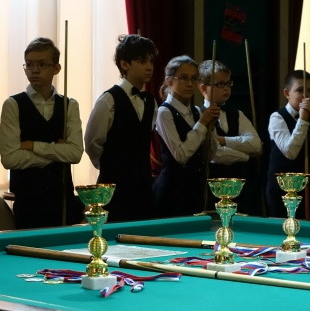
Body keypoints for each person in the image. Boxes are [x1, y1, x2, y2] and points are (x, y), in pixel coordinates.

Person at [0, 37, 84, 229]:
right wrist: (57, 154)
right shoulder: (13, 105)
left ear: (56, 68)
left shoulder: (69, 105)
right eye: (29, 64)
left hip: (63, 202)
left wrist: (32, 146)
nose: (34, 70)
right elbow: (9, 158)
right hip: (28, 205)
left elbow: (75, 154)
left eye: (42, 64)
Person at [84, 34, 158, 222]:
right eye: (142, 61)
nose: (149, 67)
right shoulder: (108, 100)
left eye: (151, 61)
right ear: (125, 64)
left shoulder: (151, 102)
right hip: (113, 188)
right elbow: (92, 143)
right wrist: (111, 166)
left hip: (143, 189)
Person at [154, 55, 220, 218]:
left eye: (194, 78)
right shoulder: (164, 112)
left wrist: (210, 130)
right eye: (183, 78)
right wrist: (202, 124)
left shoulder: (197, 111)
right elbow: (181, 155)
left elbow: (209, 155)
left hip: (195, 190)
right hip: (172, 192)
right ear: (169, 81)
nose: (190, 84)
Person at [198, 59, 262, 214]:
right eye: (220, 84)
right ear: (203, 88)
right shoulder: (198, 114)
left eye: (228, 83)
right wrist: (246, 156)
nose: (226, 88)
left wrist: (223, 140)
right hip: (211, 186)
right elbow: (216, 154)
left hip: (241, 187)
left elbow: (256, 145)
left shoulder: (237, 114)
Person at [265, 70, 310, 220]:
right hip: (282, 189)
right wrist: (303, 120)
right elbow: (290, 152)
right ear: (287, 93)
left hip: (307, 188)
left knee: (309, 230)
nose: (306, 96)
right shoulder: (277, 117)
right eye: (300, 90)